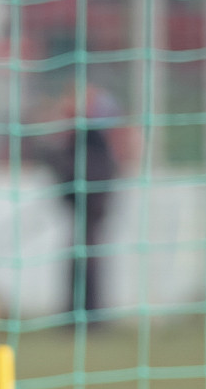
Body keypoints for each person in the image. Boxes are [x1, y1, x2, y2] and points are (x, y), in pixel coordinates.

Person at [34, 74, 136, 326]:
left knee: (87, 258)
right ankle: (77, 313)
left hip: (93, 204)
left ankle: (89, 315)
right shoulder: (78, 135)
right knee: (80, 256)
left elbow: (94, 169)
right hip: (82, 204)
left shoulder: (94, 133)